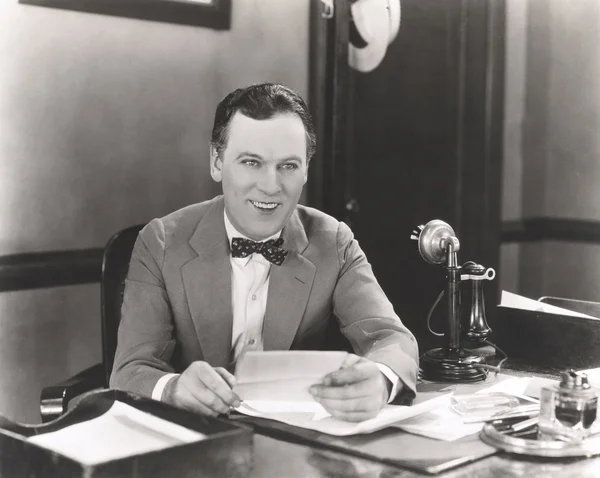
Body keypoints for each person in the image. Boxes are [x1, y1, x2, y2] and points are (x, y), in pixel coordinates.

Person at [110, 83, 418, 422]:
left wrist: (380, 380)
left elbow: (391, 338)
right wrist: (173, 388)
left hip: (297, 441)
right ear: (217, 161)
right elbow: (130, 369)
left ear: (306, 170)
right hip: (196, 441)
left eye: (288, 166)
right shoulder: (161, 242)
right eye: (251, 162)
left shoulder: (334, 242)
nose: (271, 186)